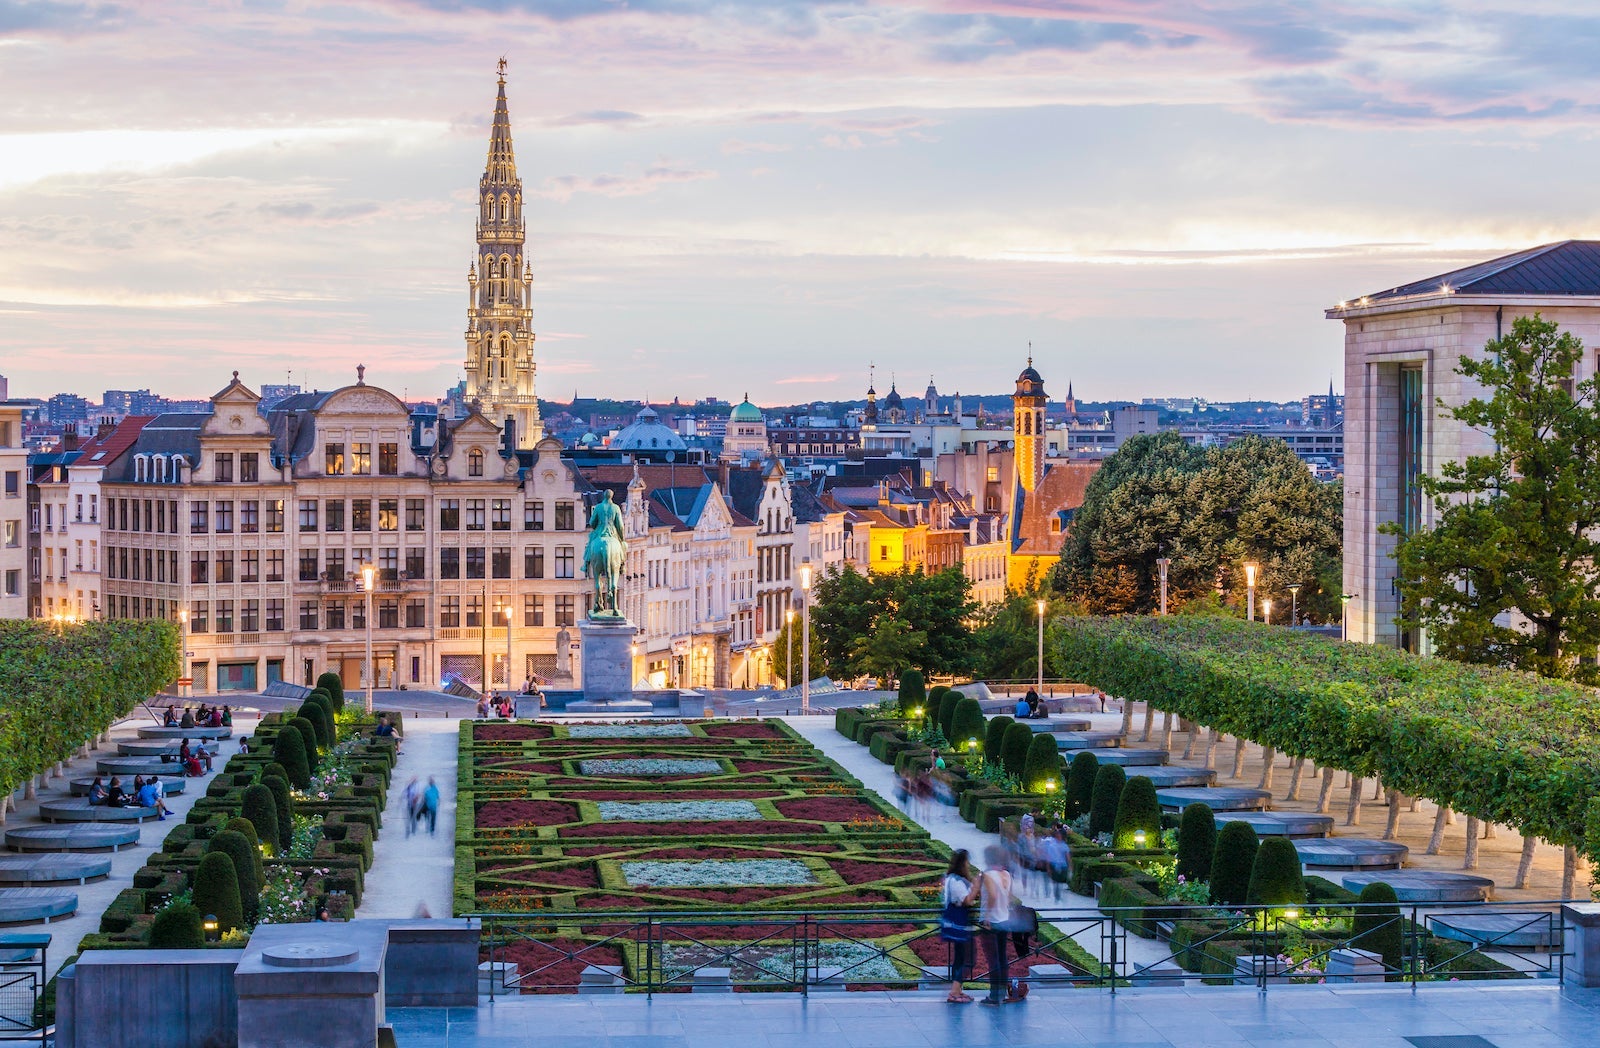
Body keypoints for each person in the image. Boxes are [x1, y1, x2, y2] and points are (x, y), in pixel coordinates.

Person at [978, 845, 1017, 1006]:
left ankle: (994, 995)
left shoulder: (987, 875)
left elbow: (992, 896)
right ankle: (1001, 993)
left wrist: (986, 916)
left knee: (993, 959)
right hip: (1005, 919)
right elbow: (1009, 897)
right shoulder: (1006, 874)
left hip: (992, 921)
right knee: (1002, 957)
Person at [941, 850, 979, 1003]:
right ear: (962, 863)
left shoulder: (952, 878)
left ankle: (958, 990)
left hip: (957, 924)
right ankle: (954, 992)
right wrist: (976, 886)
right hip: (960, 925)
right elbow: (967, 900)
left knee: (960, 957)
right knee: (969, 959)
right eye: (967, 861)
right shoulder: (956, 881)